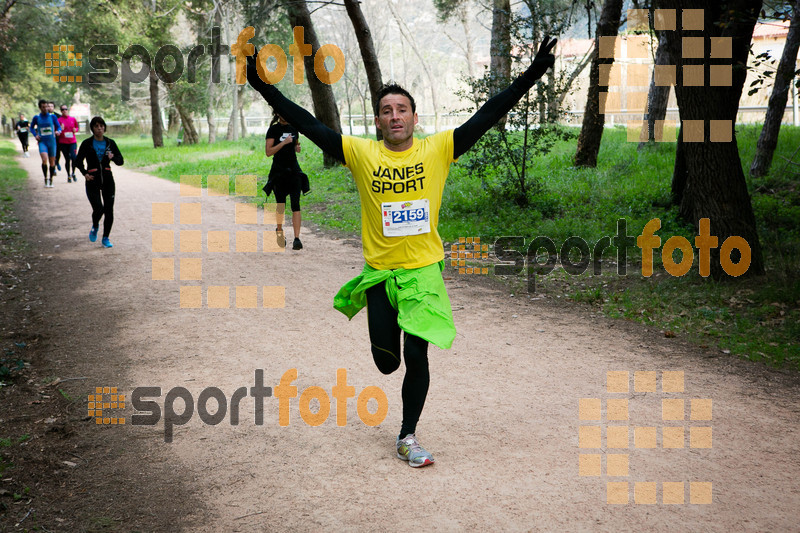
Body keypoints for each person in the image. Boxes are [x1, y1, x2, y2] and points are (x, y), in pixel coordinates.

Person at [245, 36, 556, 467]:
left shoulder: (438, 149)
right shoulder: (360, 153)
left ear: (414, 117)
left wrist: (532, 74)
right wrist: (263, 85)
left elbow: (488, 113)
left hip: (424, 272)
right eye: (387, 110)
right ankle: (390, 366)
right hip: (380, 274)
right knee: (387, 363)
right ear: (378, 121)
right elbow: (308, 121)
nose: (395, 116)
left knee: (417, 354)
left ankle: (407, 436)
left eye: (402, 109)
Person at [74, 116, 124, 248]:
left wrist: (113, 158)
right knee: (98, 209)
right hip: (92, 180)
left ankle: (106, 238)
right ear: (92, 129)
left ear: (104, 127)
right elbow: (78, 162)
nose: (99, 128)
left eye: (101, 126)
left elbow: (121, 161)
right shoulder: (87, 144)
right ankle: (95, 225)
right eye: (96, 126)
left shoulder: (110, 143)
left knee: (109, 210)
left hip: (108, 179)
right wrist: (85, 173)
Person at [263, 111, 309, 250]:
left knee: (296, 204)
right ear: (277, 113)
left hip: (294, 171)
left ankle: (297, 239)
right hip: (279, 173)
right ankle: (279, 231)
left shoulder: (293, 128)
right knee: (280, 205)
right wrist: (283, 143)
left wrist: (296, 148)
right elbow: (268, 152)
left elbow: (295, 145)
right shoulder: (273, 130)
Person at [29, 99, 62, 188]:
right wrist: (35, 135)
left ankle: (51, 179)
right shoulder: (36, 117)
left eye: (46, 106)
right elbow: (31, 128)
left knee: (52, 162)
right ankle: (45, 178)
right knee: (44, 160)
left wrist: (58, 131)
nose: (45, 108)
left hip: (52, 142)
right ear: (40, 108)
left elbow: (59, 127)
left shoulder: (52, 117)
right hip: (42, 142)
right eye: (43, 107)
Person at [56, 104, 80, 182]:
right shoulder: (59, 120)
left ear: (68, 110)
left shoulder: (72, 119)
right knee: (67, 159)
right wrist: (61, 129)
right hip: (63, 142)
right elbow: (57, 131)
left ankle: (73, 173)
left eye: (66, 109)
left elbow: (77, 128)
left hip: (72, 141)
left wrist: (75, 130)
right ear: (61, 111)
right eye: (62, 110)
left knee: (74, 157)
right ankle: (68, 175)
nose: (64, 111)